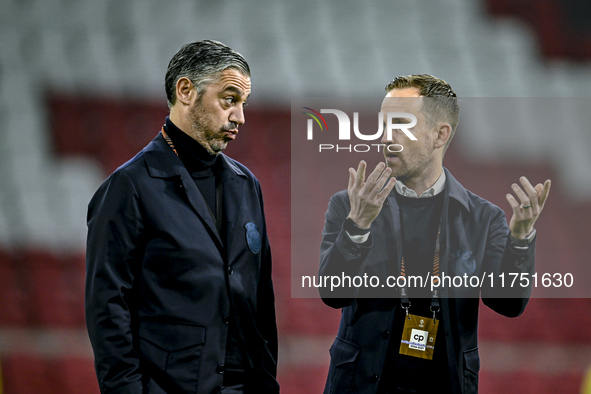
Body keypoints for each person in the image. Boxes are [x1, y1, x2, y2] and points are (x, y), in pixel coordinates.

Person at [319, 74, 551, 394]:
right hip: (361, 385)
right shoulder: (348, 205)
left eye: (399, 124)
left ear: (439, 134)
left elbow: (508, 303)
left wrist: (521, 238)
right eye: (383, 124)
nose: (386, 136)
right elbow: (332, 294)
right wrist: (357, 225)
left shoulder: (484, 218)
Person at [85, 40, 279, 394]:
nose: (240, 117)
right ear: (186, 90)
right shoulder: (129, 187)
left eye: (243, 104)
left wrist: (267, 383)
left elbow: (261, 300)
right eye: (229, 99)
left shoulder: (246, 183)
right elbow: (107, 308)